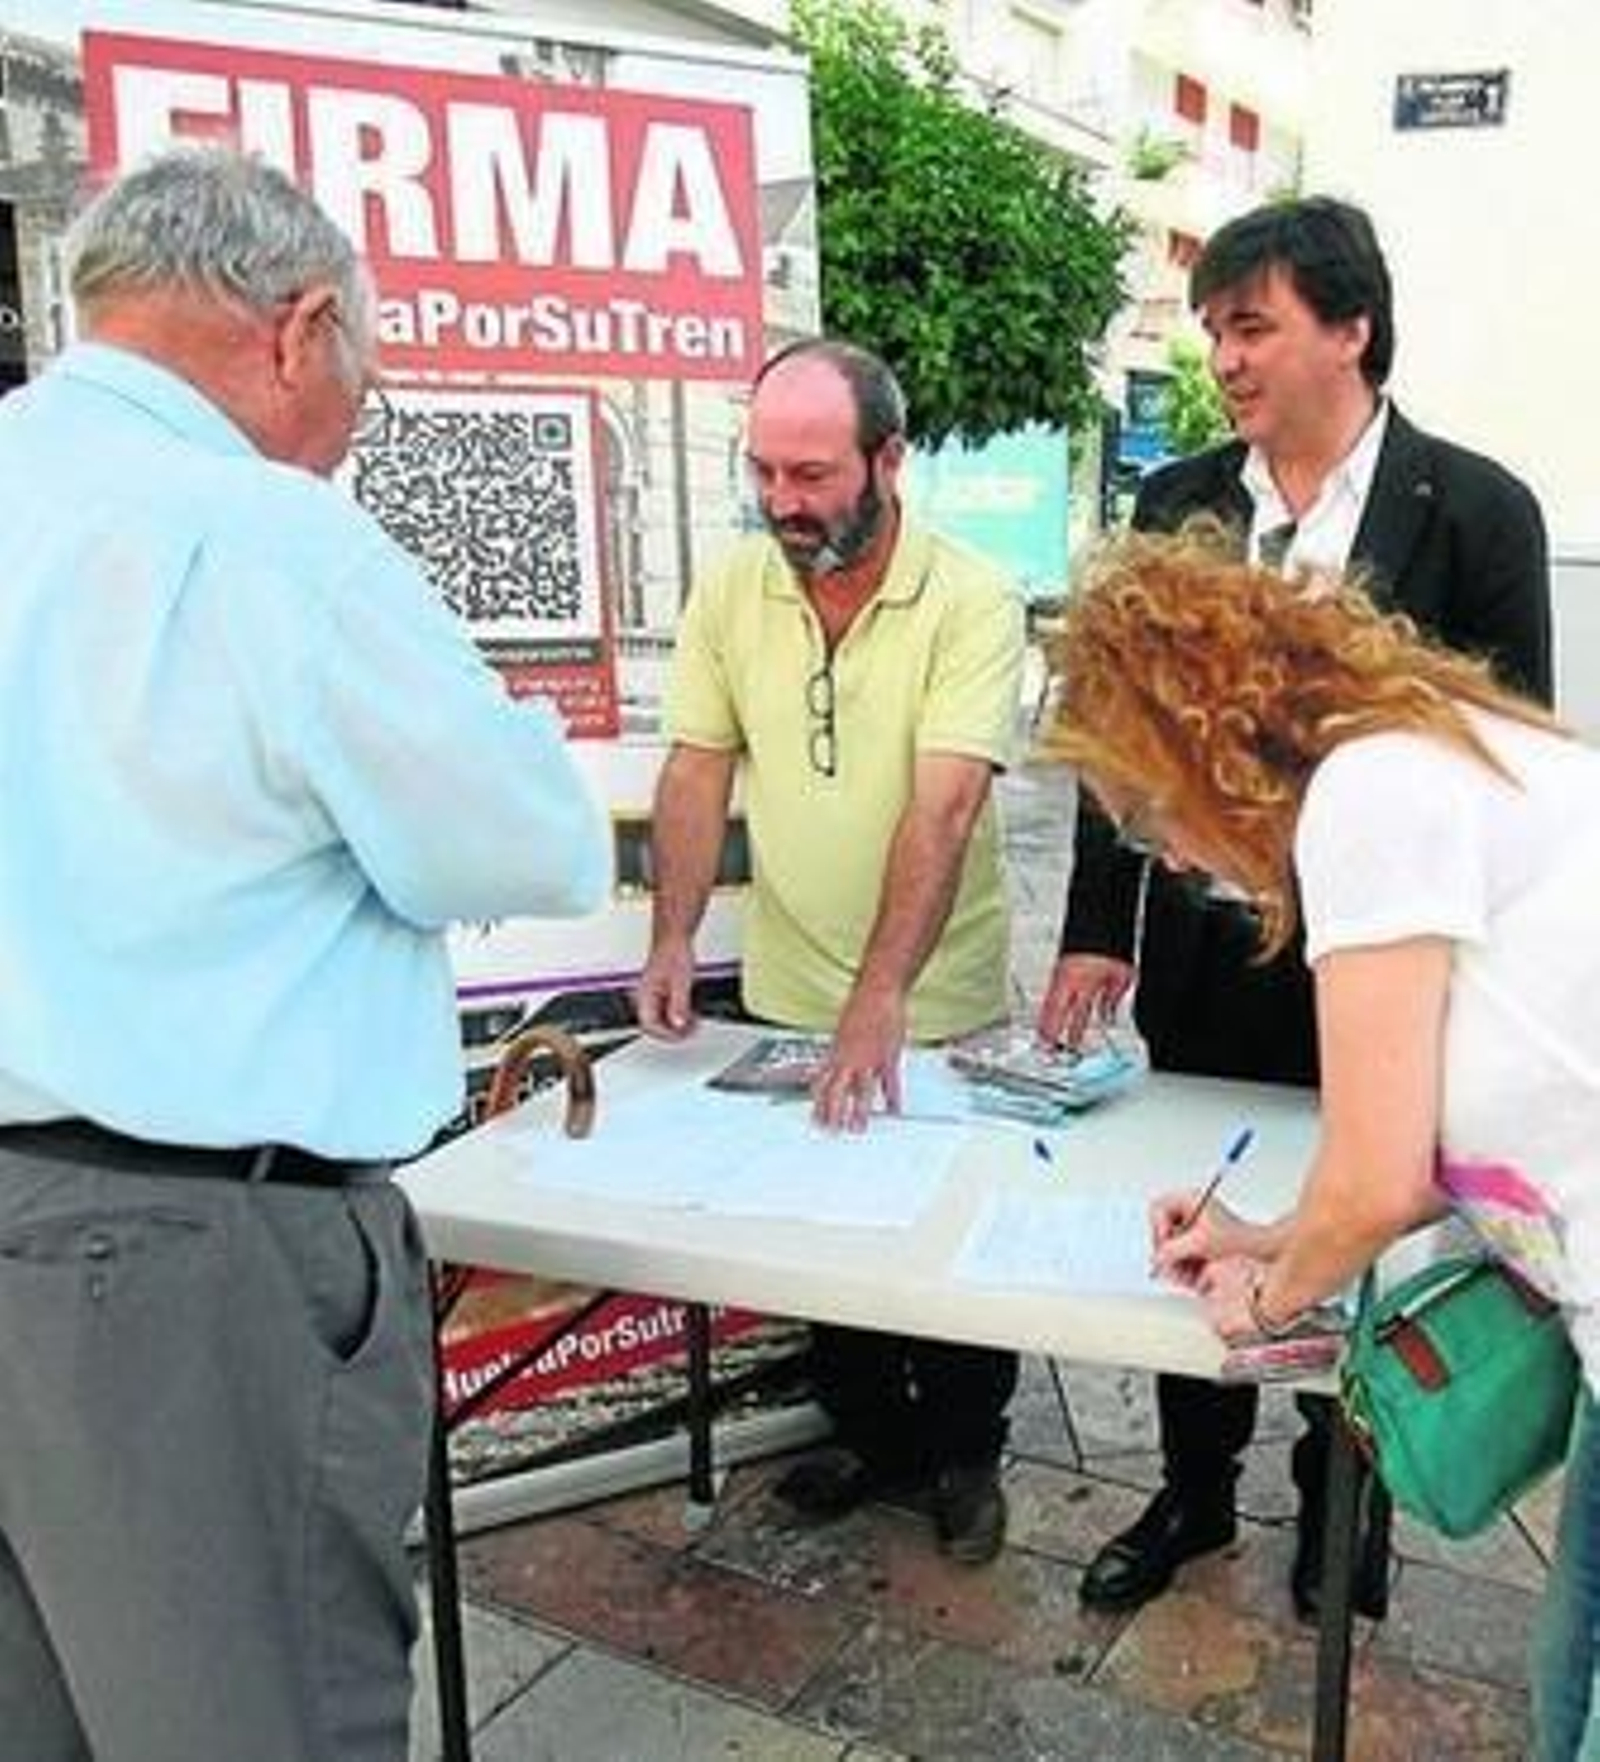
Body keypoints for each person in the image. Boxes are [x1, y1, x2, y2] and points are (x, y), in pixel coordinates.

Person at [0, 148, 606, 1762]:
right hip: (192, 1257)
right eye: (369, 378)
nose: (355, 419)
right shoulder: (269, 543)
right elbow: (522, 845)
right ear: (303, 326)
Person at [1039, 194, 1552, 1621]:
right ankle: (1193, 1489)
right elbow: (1122, 744)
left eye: (1251, 324)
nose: (1225, 359)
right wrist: (1097, 923)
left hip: (1383, 968)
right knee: (1203, 1208)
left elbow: (1503, 739)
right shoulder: (1178, 501)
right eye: (1211, 331)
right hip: (1212, 956)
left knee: (1369, 1213)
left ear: (1353, 328)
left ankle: (1347, 1502)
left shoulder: (1477, 507)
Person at [1040, 522, 1600, 1762]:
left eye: (1143, 813)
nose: (1169, 858)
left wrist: (1265, 1293)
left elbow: (1376, 1177)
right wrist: (1268, 1232)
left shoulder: (1369, 791)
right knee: (1566, 1692)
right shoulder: (1408, 758)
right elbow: (1394, 1156)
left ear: (1192, 746)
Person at [634, 337, 1024, 1564]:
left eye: (810, 474)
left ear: (888, 458)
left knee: (946, 1232)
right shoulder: (730, 589)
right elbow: (697, 767)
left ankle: (966, 1450)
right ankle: (869, 1434)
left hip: (935, 991)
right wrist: (672, 933)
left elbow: (944, 805)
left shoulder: (972, 600)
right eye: (764, 473)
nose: (782, 503)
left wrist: (882, 995)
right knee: (820, 1224)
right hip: (787, 976)